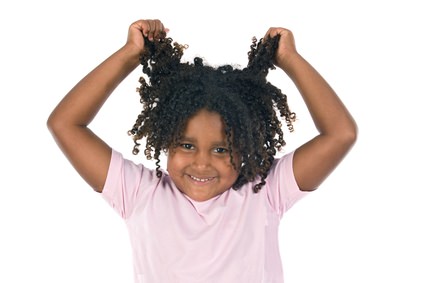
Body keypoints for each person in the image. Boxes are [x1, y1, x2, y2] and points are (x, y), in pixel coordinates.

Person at [47, 19, 357, 283]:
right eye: (186, 145)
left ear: (244, 147)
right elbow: (65, 124)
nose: (202, 163)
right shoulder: (140, 192)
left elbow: (340, 134)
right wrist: (130, 55)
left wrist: (290, 58)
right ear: (165, 140)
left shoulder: (263, 192)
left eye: (222, 149)